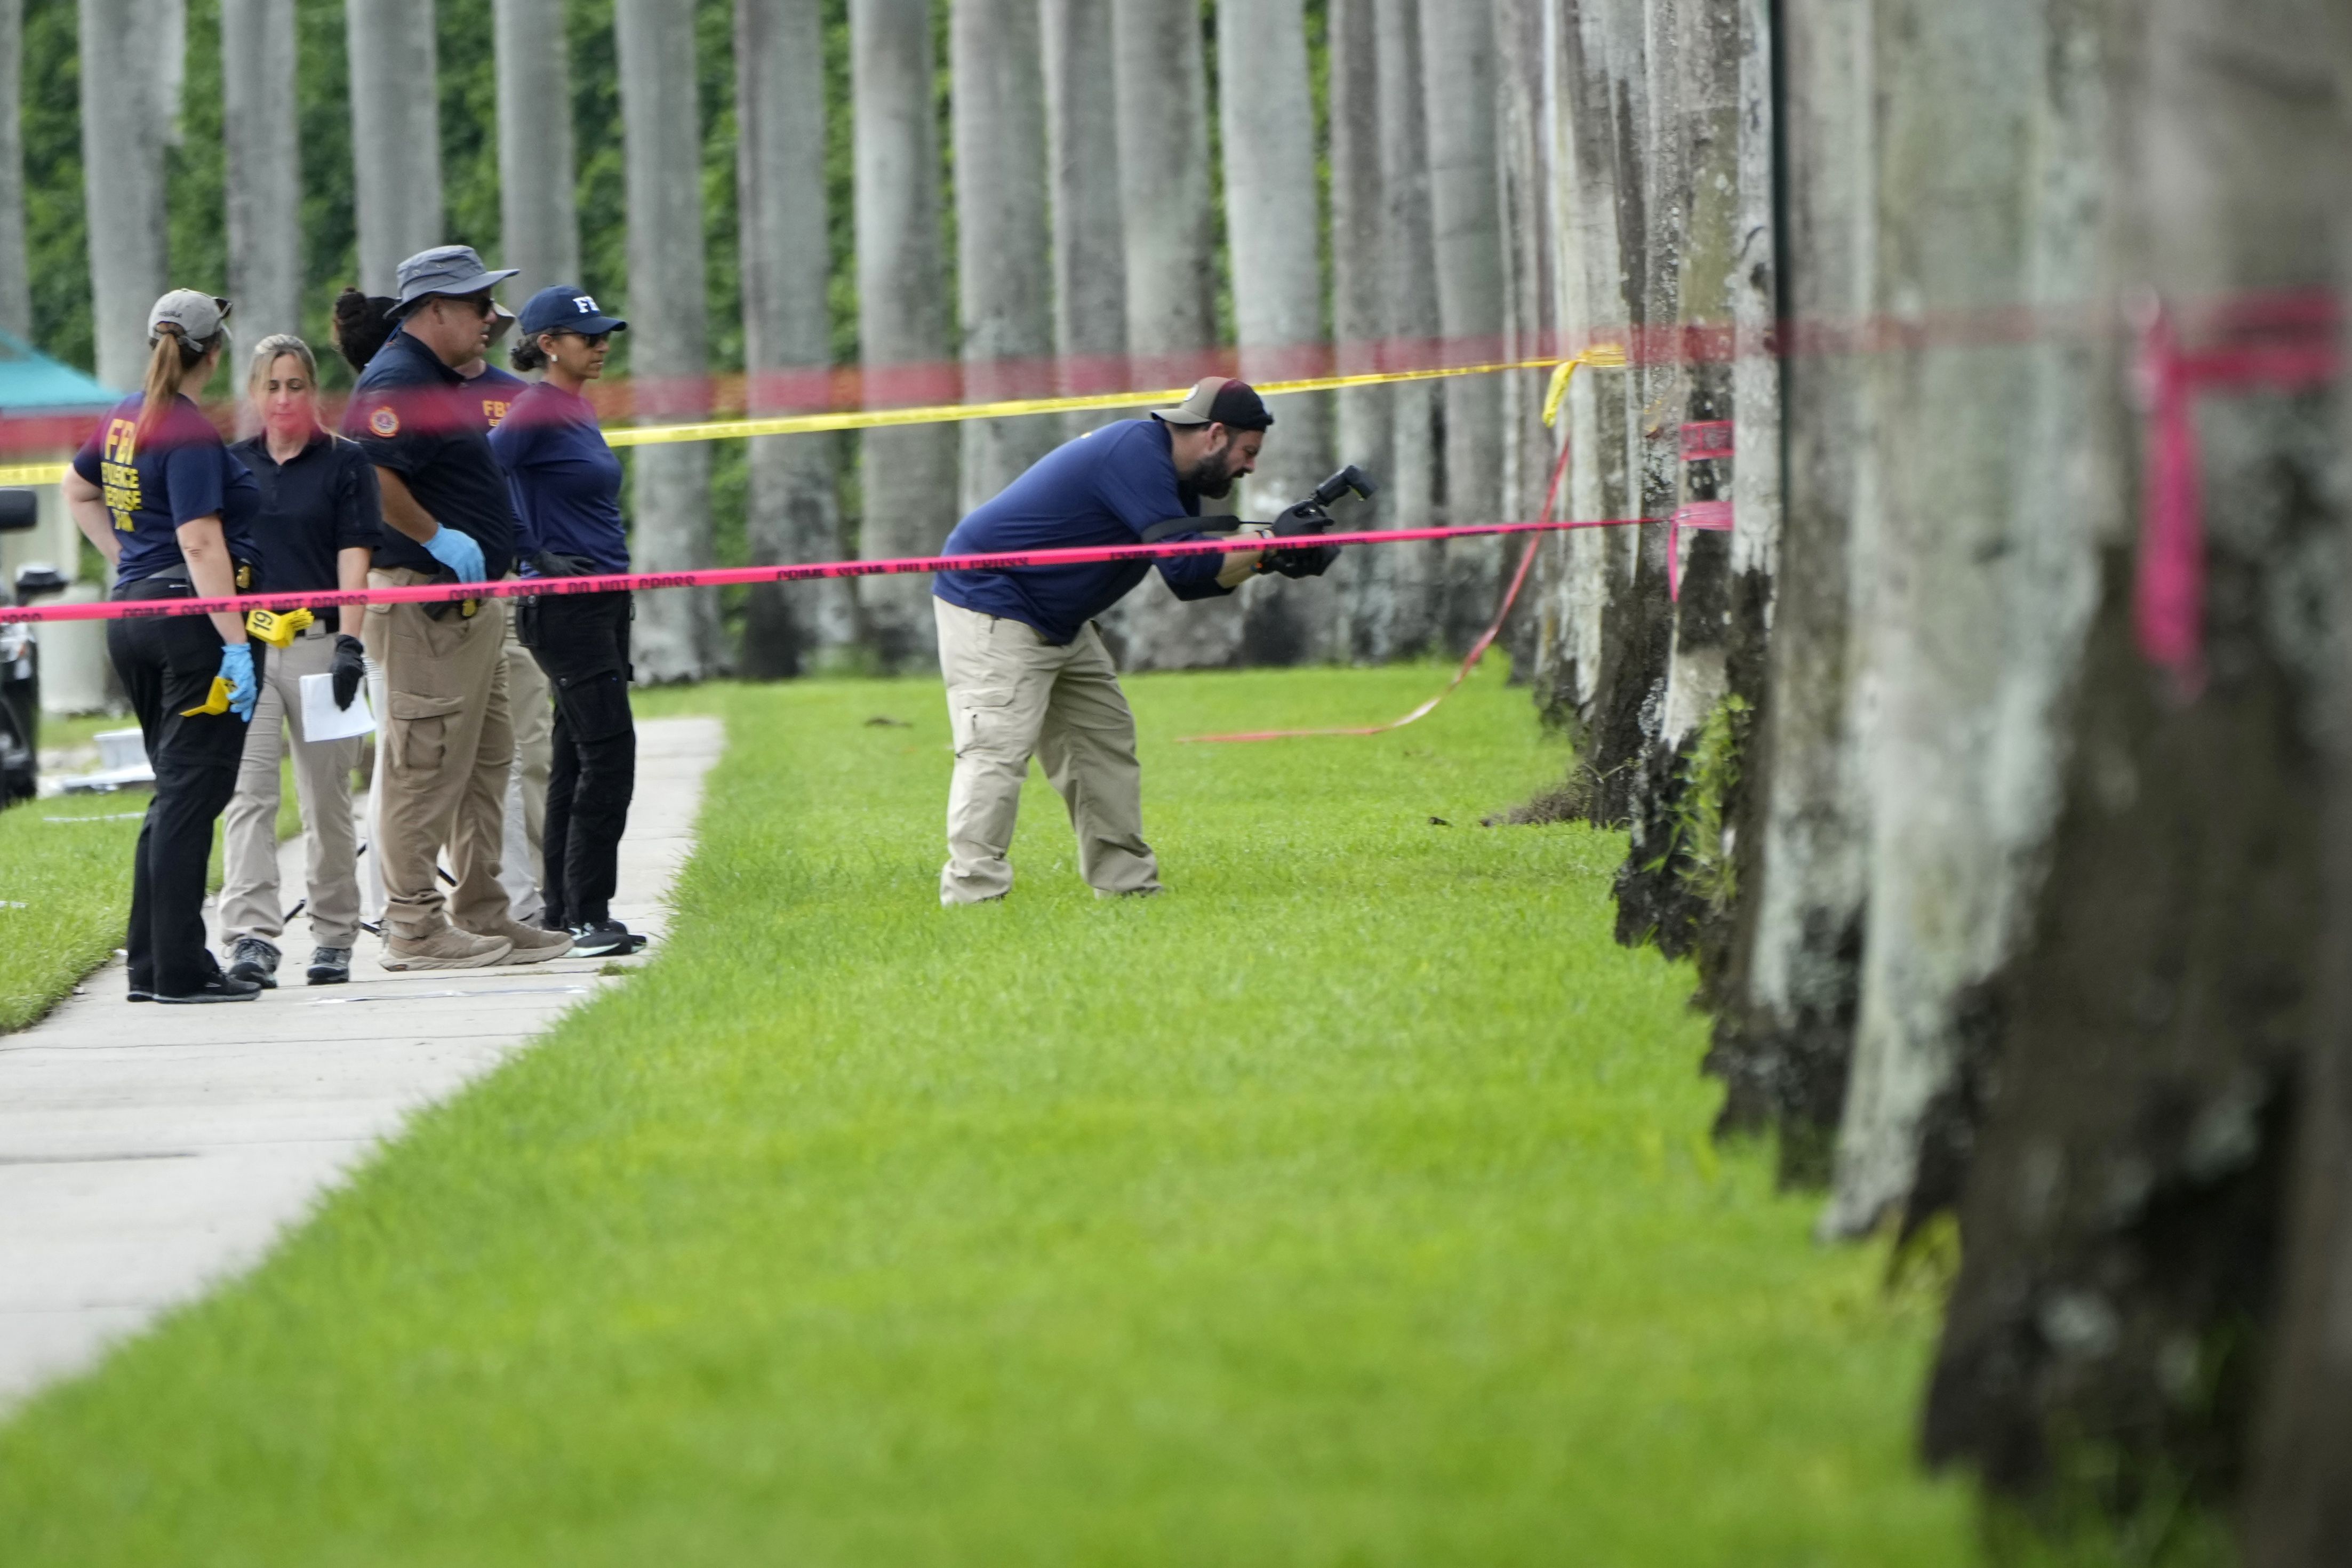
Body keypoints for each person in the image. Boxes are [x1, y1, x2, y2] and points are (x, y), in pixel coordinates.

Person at [929, 377, 1338, 904]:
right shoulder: (1136, 455)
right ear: (1215, 434)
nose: (1251, 467)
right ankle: (972, 898)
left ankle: (1129, 892)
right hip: (993, 604)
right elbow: (1187, 564)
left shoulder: (1178, 476)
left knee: (1104, 746)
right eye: (1249, 451)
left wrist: (1270, 558)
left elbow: (1192, 582)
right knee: (996, 752)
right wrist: (1267, 546)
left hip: (1062, 620)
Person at [345, 245, 571, 971]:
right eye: (478, 305)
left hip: (469, 607)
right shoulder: (397, 381)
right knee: (425, 763)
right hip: (424, 605)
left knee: (483, 761)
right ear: (434, 309)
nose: (491, 318)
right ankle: (413, 926)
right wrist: (436, 535)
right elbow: (371, 476)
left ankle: (484, 912)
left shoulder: (436, 378)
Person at [61, 290, 266, 1002]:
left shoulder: (123, 416)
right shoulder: (184, 428)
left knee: (173, 795)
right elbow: (200, 538)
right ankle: (178, 969)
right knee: (192, 795)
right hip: (189, 625)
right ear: (215, 352)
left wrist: (127, 563)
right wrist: (234, 641)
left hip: (135, 616)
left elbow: (76, 489)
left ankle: (154, 963)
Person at [218, 336, 380, 989]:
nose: (284, 398)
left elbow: (354, 555)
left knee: (326, 798)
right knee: (249, 796)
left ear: (313, 391)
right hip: (251, 649)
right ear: (255, 394)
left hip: (319, 646)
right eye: (272, 386)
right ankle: (252, 937)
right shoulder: (232, 465)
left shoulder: (346, 463)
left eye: (296, 385)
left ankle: (335, 935)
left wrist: (350, 642)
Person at [490, 285, 646, 957]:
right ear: (549, 345)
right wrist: (533, 554)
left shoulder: (575, 409)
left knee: (579, 756)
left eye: (605, 333)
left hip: (603, 599)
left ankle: (563, 910)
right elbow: (480, 477)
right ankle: (589, 914)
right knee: (610, 755)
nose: (602, 344)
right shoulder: (535, 412)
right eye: (588, 336)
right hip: (565, 606)